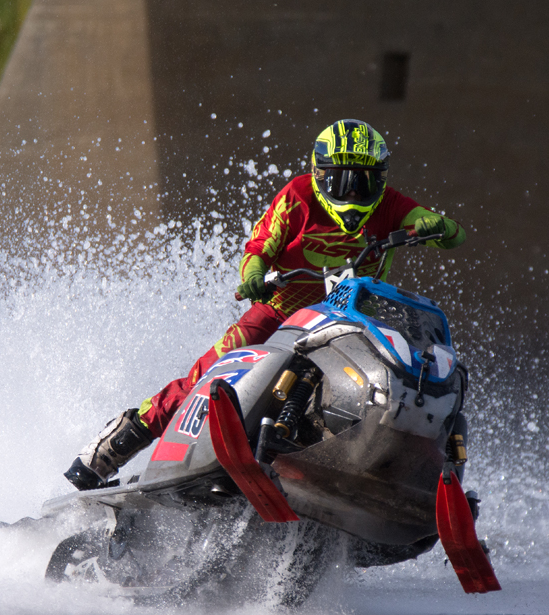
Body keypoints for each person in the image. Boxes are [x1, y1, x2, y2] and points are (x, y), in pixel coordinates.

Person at [64, 118, 469, 490]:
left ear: (380, 181)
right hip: (279, 314)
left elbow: (455, 236)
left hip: (353, 320)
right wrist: (254, 276)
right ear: (320, 174)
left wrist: (438, 225)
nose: (353, 193)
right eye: (342, 180)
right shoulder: (297, 196)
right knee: (206, 376)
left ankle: (403, 472)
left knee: (405, 376)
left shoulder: (391, 205)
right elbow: (258, 249)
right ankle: (109, 450)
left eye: (364, 183)